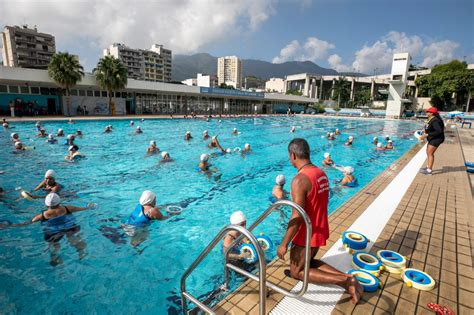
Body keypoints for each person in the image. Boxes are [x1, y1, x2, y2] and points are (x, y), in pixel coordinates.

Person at [277, 138, 362, 304]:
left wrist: (284, 243)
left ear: (293, 155)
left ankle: (346, 281)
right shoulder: (320, 173)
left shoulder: (299, 180)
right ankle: (347, 278)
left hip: (306, 235)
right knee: (309, 262)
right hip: (320, 228)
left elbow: (297, 215)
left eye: (289, 156)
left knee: (297, 272)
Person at [28, 193, 96, 266]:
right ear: (59, 201)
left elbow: (29, 222)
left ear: (46, 204)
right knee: (73, 238)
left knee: (54, 244)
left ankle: (54, 258)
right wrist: (89, 207)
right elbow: (82, 209)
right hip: (69, 227)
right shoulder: (68, 208)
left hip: (53, 232)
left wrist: (15, 225)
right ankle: (81, 253)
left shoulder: (43, 215)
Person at [419, 106, 445, 175]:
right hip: (433, 138)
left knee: (430, 153)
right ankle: (428, 167)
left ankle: (429, 171)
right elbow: (429, 127)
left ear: (432, 113)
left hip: (437, 138)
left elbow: (439, 131)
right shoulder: (431, 119)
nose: (426, 112)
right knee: (428, 152)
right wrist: (424, 131)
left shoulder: (435, 120)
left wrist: (427, 135)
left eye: (428, 112)